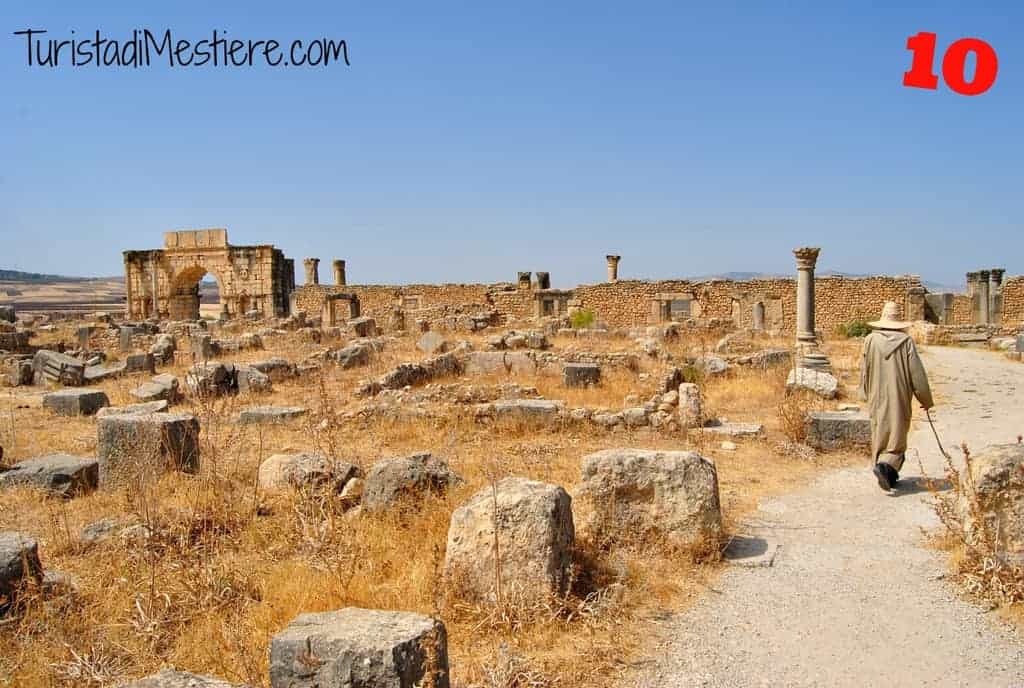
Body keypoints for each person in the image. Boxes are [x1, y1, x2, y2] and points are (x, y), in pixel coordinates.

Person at [858, 301, 934, 491]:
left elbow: (864, 369)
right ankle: (886, 468)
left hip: (876, 394)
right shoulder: (906, 342)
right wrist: (925, 399)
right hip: (899, 394)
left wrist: (864, 391)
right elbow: (916, 374)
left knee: (880, 429)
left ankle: (885, 471)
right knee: (897, 434)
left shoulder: (870, 340)